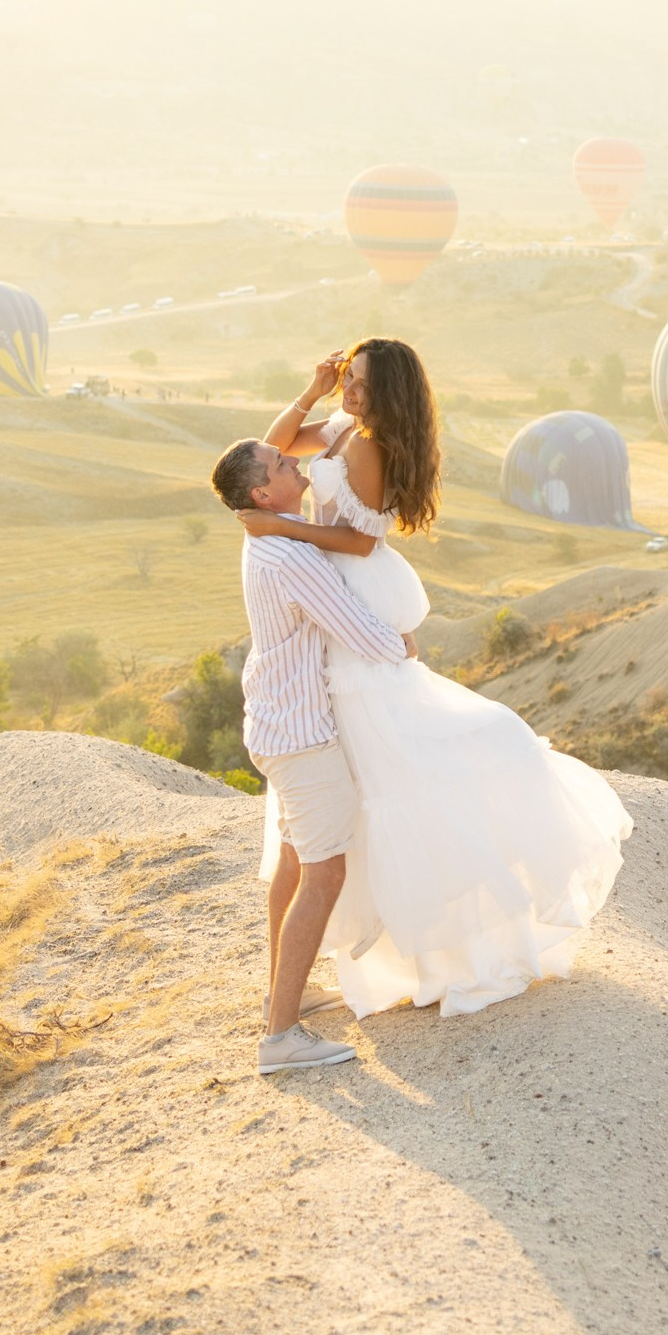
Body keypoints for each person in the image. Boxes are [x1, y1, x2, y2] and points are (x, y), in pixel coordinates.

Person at [229, 340, 631, 1021]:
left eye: (357, 383)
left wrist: (284, 529)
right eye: (347, 379)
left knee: (385, 771)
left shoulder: (369, 446)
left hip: (343, 592)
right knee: (321, 811)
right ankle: (285, 986)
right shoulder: (343, 427)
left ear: (386, 393)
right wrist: (312, 391)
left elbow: (358, 543)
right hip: (325, 603)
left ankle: (415, 955)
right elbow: (261, 463)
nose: (348, 391)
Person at [210, 431, 416, 1077]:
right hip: (302, 736)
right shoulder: (289, 556)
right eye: (278, 463)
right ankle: (280, 1037)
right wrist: (405, 645)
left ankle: (284, 994)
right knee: (324, 873)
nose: (290, 459)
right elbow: (357, 630)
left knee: (297, 860)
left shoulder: (268, 536)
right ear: (261, 492)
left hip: (277, 722)